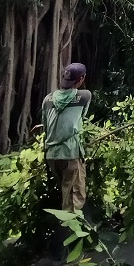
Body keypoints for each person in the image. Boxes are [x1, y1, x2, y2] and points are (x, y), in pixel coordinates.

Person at [40, 62, 92, 212]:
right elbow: (82, 118)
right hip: (70, 153)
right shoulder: (84, 96)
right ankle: (71, 230)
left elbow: (45, 126)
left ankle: (65, 226)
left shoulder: (47, 99)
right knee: (74, 197)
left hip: (52, 155)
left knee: (65, 191)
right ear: (81, 79)